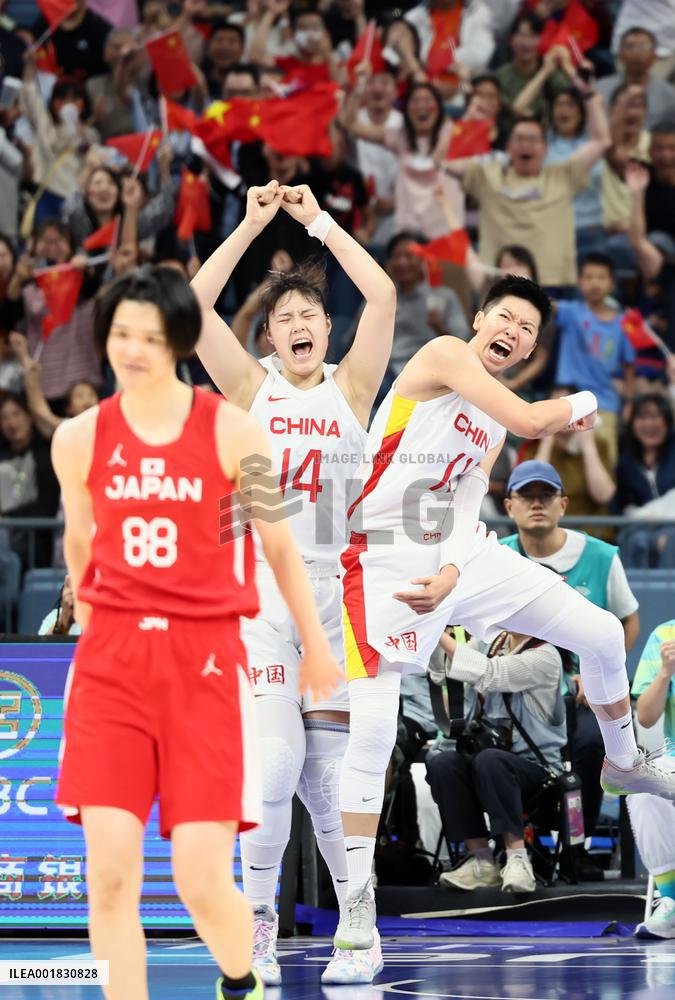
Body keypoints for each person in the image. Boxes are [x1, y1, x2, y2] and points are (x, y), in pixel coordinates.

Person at [334, 275, 675, 954]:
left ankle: (622, 762)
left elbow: (467, 501)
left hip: (459, 555)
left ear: (526, 350)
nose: (514, 333)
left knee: (601, 633)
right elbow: (532, 421)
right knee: (371, 732)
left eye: (527, 331)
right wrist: (584, 402)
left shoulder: (490, 419)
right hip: (382, 558)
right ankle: (354, 913)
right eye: (506, 319)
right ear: (480, 320)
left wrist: (454, 573)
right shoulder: (442, 355)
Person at [51, 264, 342, 1000]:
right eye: (121, 334)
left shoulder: (234, 429)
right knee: (108, 877)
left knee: (200, 878)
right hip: (112, 666)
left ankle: (240, 978)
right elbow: (80, 544)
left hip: (203, 661)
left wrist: (314, 647)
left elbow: (279, 547)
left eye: (150, 336)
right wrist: (97, 625)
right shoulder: (78, 438)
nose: (133, 348)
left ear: (179, 340)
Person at [191, 180, 395, 986]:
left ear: (326, 329)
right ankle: (258, 926)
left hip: (335, 601)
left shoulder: (353, 387)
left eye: (312, 312)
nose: (301, 322)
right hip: (262, 601)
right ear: (269, 338)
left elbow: (382, 293)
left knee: (330, 784)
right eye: (285, 317)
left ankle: (359, 928)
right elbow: (191, 305)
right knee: (273, 768)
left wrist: (319, 224)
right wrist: (248, 228)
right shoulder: (252, 388)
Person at [501, 459, 640, 850]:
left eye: (546, 495)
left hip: (581, 692)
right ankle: (515, 845)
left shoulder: (601, 556)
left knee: (592, 743)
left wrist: (598, 673)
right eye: (526, 496)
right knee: (490, 748)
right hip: (517, 687)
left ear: (563, 504)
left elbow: (628, 621)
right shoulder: (496, 556)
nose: (536, 503)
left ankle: (579, 841)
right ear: (509, 506)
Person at [427, 628, 567, 894]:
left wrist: (438, 631)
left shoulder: (546, 655)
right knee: (443, 762)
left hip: (537, 769)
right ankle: (482, 862)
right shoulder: (489, 643)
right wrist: (436, 632)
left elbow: (492, 675)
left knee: (490, 761)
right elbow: (441, 673)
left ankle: (518, 860)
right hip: (485, 762)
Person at [553, 253, 636, 465]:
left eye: (601, 277)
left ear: (612, 283)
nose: (594, 283)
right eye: (588, 277)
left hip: (605, 404)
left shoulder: (624, 323)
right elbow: (546, 304)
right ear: (579, 282)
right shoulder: (571, 312)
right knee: (564, 464)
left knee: (605, 462)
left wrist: (628, 404)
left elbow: (629, 369)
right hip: (568, 399)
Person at [628, 621, 675, 940]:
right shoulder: (666, 635)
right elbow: (645, 717)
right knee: (643, 784)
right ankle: (671, 899)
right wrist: (665, 673)